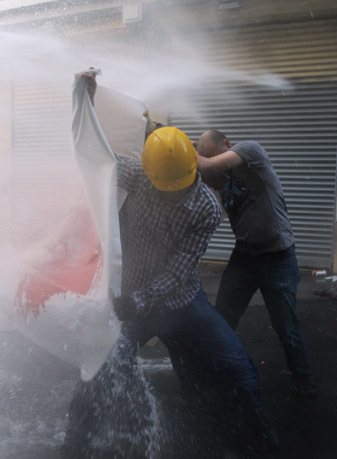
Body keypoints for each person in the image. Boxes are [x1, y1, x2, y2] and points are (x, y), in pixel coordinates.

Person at [61, 73, 279, 458]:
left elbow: (180, 272)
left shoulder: (206, 208)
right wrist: (88, 102)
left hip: (181, 304)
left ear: (192, 170)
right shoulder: (143, 175)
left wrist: (135, 302)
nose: (168, 192)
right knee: (95, 373)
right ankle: (72, 444)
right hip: (134, 305)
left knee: (238, 368)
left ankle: (260, 442)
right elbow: (96, 156)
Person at [194, 130, 316, 399]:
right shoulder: (216, 174)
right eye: (206, 155)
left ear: (226, 145)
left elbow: (205, 165)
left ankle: (302, 379)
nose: (212, 160)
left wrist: (185, 151)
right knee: (223, 318)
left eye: (214, 154)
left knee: (285, 325)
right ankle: (219, 374)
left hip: (278, 255)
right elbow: (187, 176)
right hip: (245, 256)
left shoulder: (251, 150)